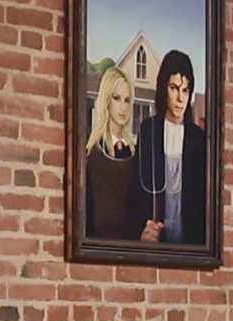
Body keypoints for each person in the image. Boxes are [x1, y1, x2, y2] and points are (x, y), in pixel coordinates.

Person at [136, 49, 212, 247]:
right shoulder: (148, 130)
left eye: (185, 90)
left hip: (190, 239)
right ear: (163, 88)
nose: (180, 98)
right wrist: (142, 230)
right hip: (155, 238)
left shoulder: (199, 138)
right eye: (174, 88)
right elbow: (137, 189)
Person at [79, 63, 140, 245]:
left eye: (127, 100)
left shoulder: (134, 154)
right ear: (106, 100)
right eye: (116, 98)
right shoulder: (92, 154)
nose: (123, 107)